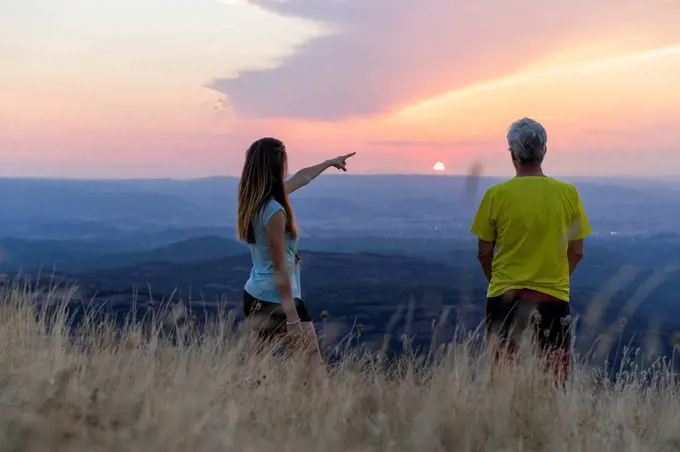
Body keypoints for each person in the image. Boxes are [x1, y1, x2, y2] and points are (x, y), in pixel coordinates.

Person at [470, 117, 592, 384]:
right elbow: (578, 251)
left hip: (504, 296)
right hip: (553, 296)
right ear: (544, 150)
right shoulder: (568, 194)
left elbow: (483, 252)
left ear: (512, 154)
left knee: (501, 377)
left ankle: (504, 423)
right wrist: (559, 276)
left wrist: (497, 281)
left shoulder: (495, 195)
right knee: (553, 377)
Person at [236, 137, 355, 366]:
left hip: (255, 294)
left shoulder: (256, 201)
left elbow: (301, 177)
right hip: (277, 300)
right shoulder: (274, 211)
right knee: (314, 368)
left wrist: (329, 162)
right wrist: (292, 319)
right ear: (276, 164)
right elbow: (280, 269)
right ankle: (327, 403)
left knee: (256, 368)